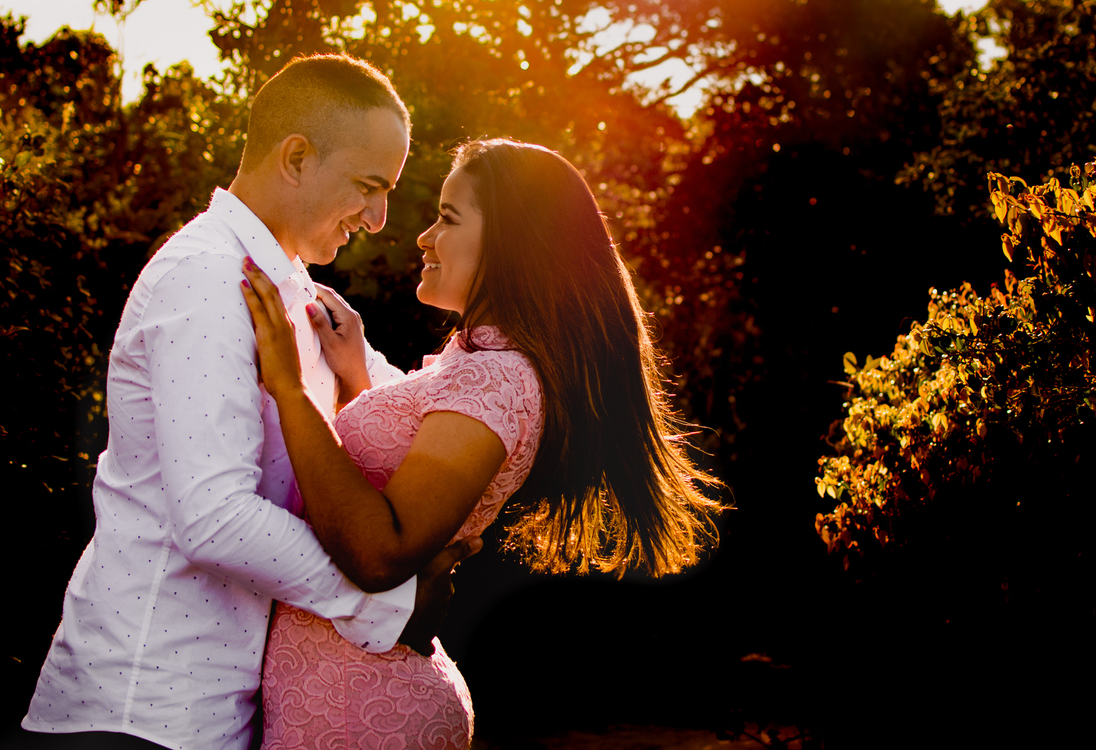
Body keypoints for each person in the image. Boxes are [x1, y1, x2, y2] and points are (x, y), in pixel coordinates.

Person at [16, 54, 475, 750]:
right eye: (367, 186)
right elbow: (215, 516)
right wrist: (382, 601)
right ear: (295, 158)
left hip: (218, 710)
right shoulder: (206, 278)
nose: (380, 219)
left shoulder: (295, 293)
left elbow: (394, 415)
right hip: (139, 709)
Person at [239, 138, 727, 749]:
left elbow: (380, 553)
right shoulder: (477, 360)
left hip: (356, 710)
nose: (423, 238)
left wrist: (290, 389)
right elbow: (393, 480)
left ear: (510, 244)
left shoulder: (497, 375)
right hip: (351, 692)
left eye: (447, 218)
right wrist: (357, 378)